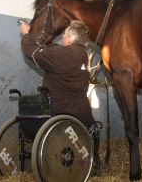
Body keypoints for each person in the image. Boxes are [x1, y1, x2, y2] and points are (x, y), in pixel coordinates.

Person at [19, 20, 101, 175]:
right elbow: (56, 53)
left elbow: (32, 53)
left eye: (65, 34)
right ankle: (94, 163)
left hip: (58, 110)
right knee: (94, 129)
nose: (63, 36)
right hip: (82, 113)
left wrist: (25, 34)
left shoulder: (64, 54)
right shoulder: (84, 55)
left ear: (70, 39)